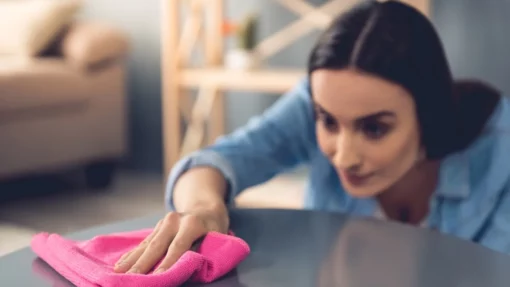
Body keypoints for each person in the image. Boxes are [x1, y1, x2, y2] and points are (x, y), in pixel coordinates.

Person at [115, 0, 510, 275]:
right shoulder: (322, 96)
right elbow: (222, 159)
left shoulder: (501, 156)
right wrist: (202, 207)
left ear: (429, 114)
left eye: (375, 128)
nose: (344, 155)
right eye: (328, 121)